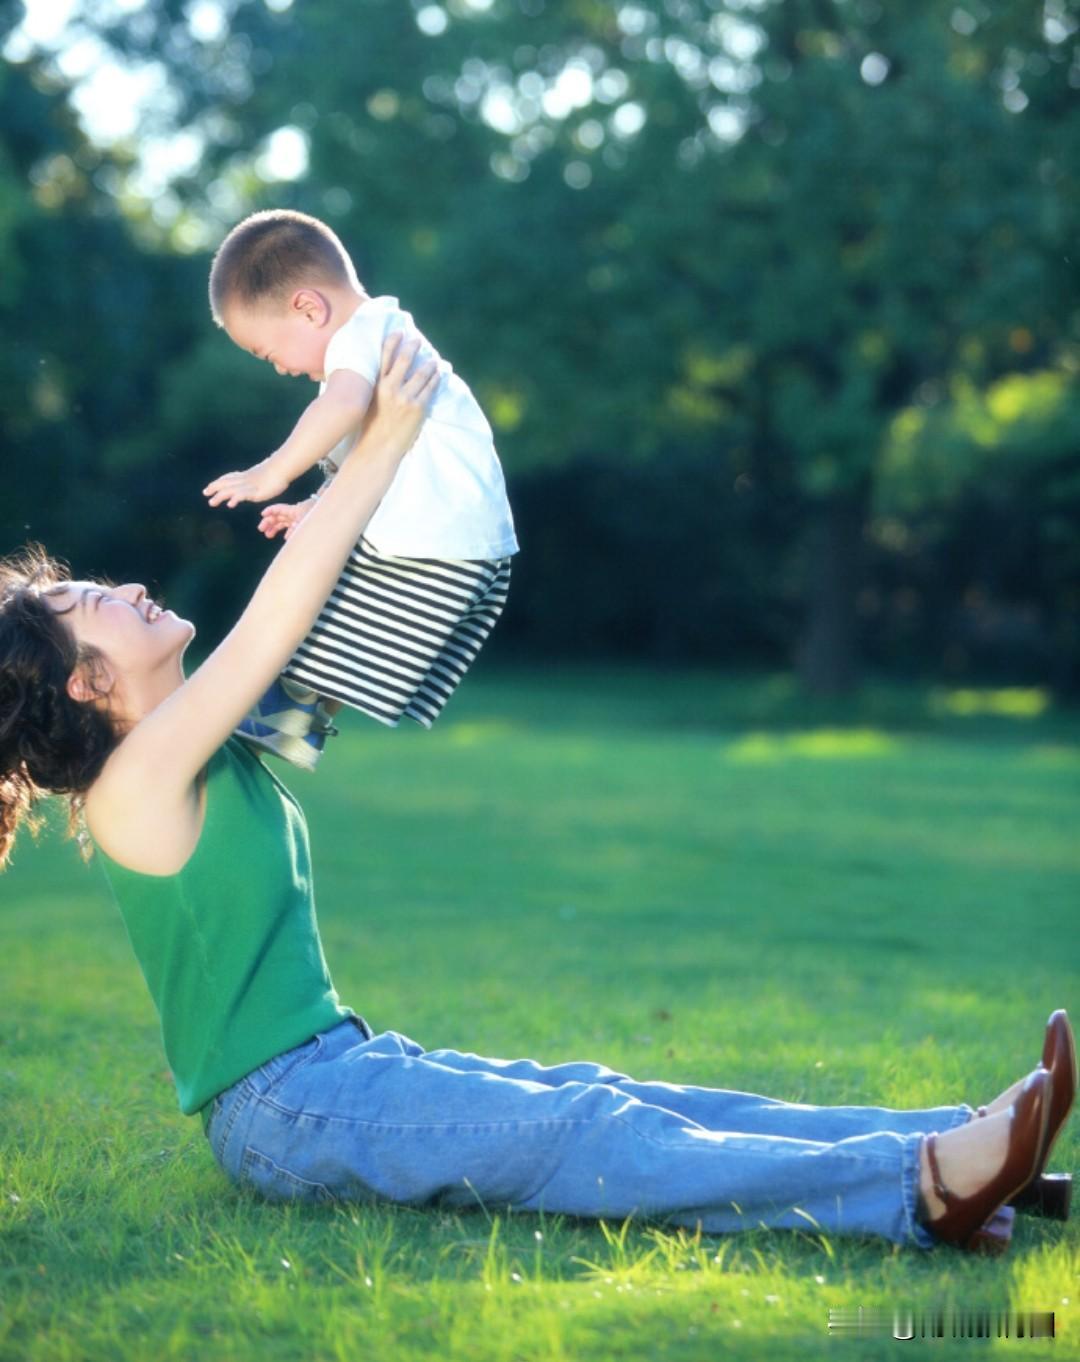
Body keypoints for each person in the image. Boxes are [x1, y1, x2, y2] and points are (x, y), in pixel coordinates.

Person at [0, 338, 1073, 1255]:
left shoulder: (205, 744)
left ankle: (959, 1149)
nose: (130, 587)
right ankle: (922, 1186)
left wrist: (364, 473)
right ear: (89, 685)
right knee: (581, 1135)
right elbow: (280, 614)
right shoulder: (133, 786)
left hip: (339, 1070)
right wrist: (379, 441)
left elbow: (351, 644)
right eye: (98, 601)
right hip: (285, 1113)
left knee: (619, 1098)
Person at [201, 209, 518, 771]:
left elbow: (341, 408)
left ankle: (256, 738)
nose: (278, 370)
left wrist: (273, 472)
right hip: (465, 547)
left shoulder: (363, 338)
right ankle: (276, 737)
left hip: (434, 545)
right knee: (319, 641)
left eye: (268, 352)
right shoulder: (380, 339)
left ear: (307, 307)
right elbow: (382, 464)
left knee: (304, 628)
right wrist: (312, 507)